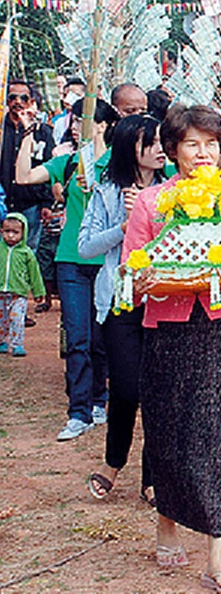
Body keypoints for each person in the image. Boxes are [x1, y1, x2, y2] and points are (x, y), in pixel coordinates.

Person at [122, 104, 221, 592]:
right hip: (170, 330)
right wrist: (157, 279)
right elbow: (132, 273)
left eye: (211, 144)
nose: (202, 153)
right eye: (191, 144)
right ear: (173, 150)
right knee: (170, 432)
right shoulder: (152, 202)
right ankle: (167, 521)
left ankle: (217, 557)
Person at [17, 97, 121, 441]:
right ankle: (78, 411)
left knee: (100, 338)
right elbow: (23, 176)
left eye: (82, 120)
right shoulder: (68, 162)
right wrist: (27, 135)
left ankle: (99, 400)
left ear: (102, 125)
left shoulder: (117, 162)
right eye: (74, 121)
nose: (75, 126)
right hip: (70, 260)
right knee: (77, 338)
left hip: (106, 260)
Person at [77, 115, 166, 502]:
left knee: (158, 392)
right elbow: (85, 247)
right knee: (127, 389)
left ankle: (152, 478)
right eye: (152, 142)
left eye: (163, 141)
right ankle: (114, 461)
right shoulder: (107, 191)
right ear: (131, 147)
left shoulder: (173, 191)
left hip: (164, 300)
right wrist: (125, 226)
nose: (162, 149)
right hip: (121, 301)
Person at [2, 80, 54, 255]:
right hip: (2, 201)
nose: (18, 102)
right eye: (13, 97)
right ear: (6, 100)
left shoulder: (42, 131)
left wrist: (47, 203)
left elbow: (49, 165)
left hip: (31, 204)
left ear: (31, 101)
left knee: (27, 253)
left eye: (23, 98)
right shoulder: (2, 129)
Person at [0, 213, 45, 357]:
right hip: (1, 294)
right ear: (1, 231)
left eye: (15, 232)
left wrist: (38, 292)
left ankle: (17, 344)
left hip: (18, 294)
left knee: (17, 319)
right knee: (2, 320)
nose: (10, 236)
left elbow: (34, 274)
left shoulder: (26, 253)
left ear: (23, 233)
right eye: (7, 231)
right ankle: (2, 342)